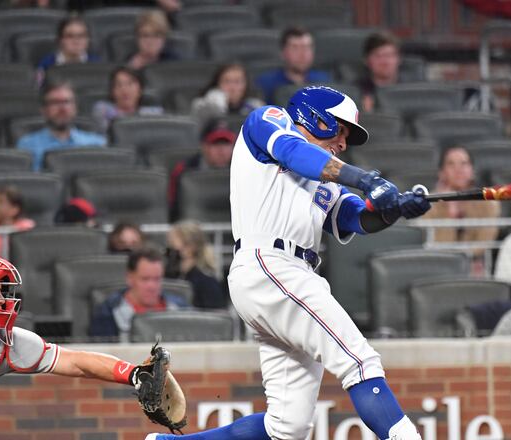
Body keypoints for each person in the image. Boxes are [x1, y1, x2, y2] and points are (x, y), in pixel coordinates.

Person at [146, 86, 431, 440]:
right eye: (341, 130)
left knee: (288, 426)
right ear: (317, 117)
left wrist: (393, 210)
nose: (343, 143)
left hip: (289, 274)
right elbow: (293, 152)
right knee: (360, 362)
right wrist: (365, 179)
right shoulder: (269, 120)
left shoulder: (324, 178)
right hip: (269, 264)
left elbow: (357, 218)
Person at [0, 252, 161, 439]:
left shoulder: (3, 342)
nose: (1, 299)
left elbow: (75, 362)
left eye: (1, 291)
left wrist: (133, 374)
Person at [422, 146, 500, 276]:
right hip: (438, 267)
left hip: (476, 267)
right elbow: (433, 245)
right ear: (441, 172)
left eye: (464, 163)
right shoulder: (428, 203)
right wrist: (449, 213)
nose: (458, 170)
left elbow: (484, 242)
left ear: (472, 171)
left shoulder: (489, 204)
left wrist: (463, 259)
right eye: (451, 164)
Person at [89, 247, 189, 341]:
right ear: (130, 278)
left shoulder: (180, 309)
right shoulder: (108, 313)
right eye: (145, 279)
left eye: (157, 279)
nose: (152, 286)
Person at [17, 81, 106, 171]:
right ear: (44, 110)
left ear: (75, 108)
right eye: (55, 102)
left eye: (67, 102)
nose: (62, 108)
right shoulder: (27, 145)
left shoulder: (97, 144)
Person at [168, 120, 236, 221]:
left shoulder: (244, 171)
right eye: (215, 144)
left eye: (226, 144)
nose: (222, 151)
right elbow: (173, 210)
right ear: (204, 147)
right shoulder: (184, 171)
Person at [255, 27, 331, 104]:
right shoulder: (266, 84)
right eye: (295, 48)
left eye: (307, 47)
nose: (303, 54)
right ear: (283, 53)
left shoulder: (324, 81)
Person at [166, 220, 227, 309]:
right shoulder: (170, 275)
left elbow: (215, 317)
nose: (168, 251)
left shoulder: (206, 281)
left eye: (172, 245)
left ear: (189, 247)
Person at [190, 63, 264, 129]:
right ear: (217, 84)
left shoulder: (256, 108)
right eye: (226, 81)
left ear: (246, 85)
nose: (232, 88)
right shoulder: (202, 105)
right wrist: (215, 104)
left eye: (237, 82)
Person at [92, 66, 163, 132]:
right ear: (112, 91)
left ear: (140, 89)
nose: (124, 90)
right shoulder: (103, 110)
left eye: (130, 84)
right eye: (119, 85)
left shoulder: (154, 115)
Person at [36, 16, 100, 85]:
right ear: (60, 40)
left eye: (81, 36)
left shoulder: (97, 64)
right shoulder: (46, 65)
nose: (76, 41)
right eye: (70, 36)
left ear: (88, 40)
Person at [356, 31, 402, 112]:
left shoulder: (410, 89)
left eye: (390, 55)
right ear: (366, 60)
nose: (385, 62)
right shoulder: (356, 92)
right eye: (378, 56)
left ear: (399, 59)